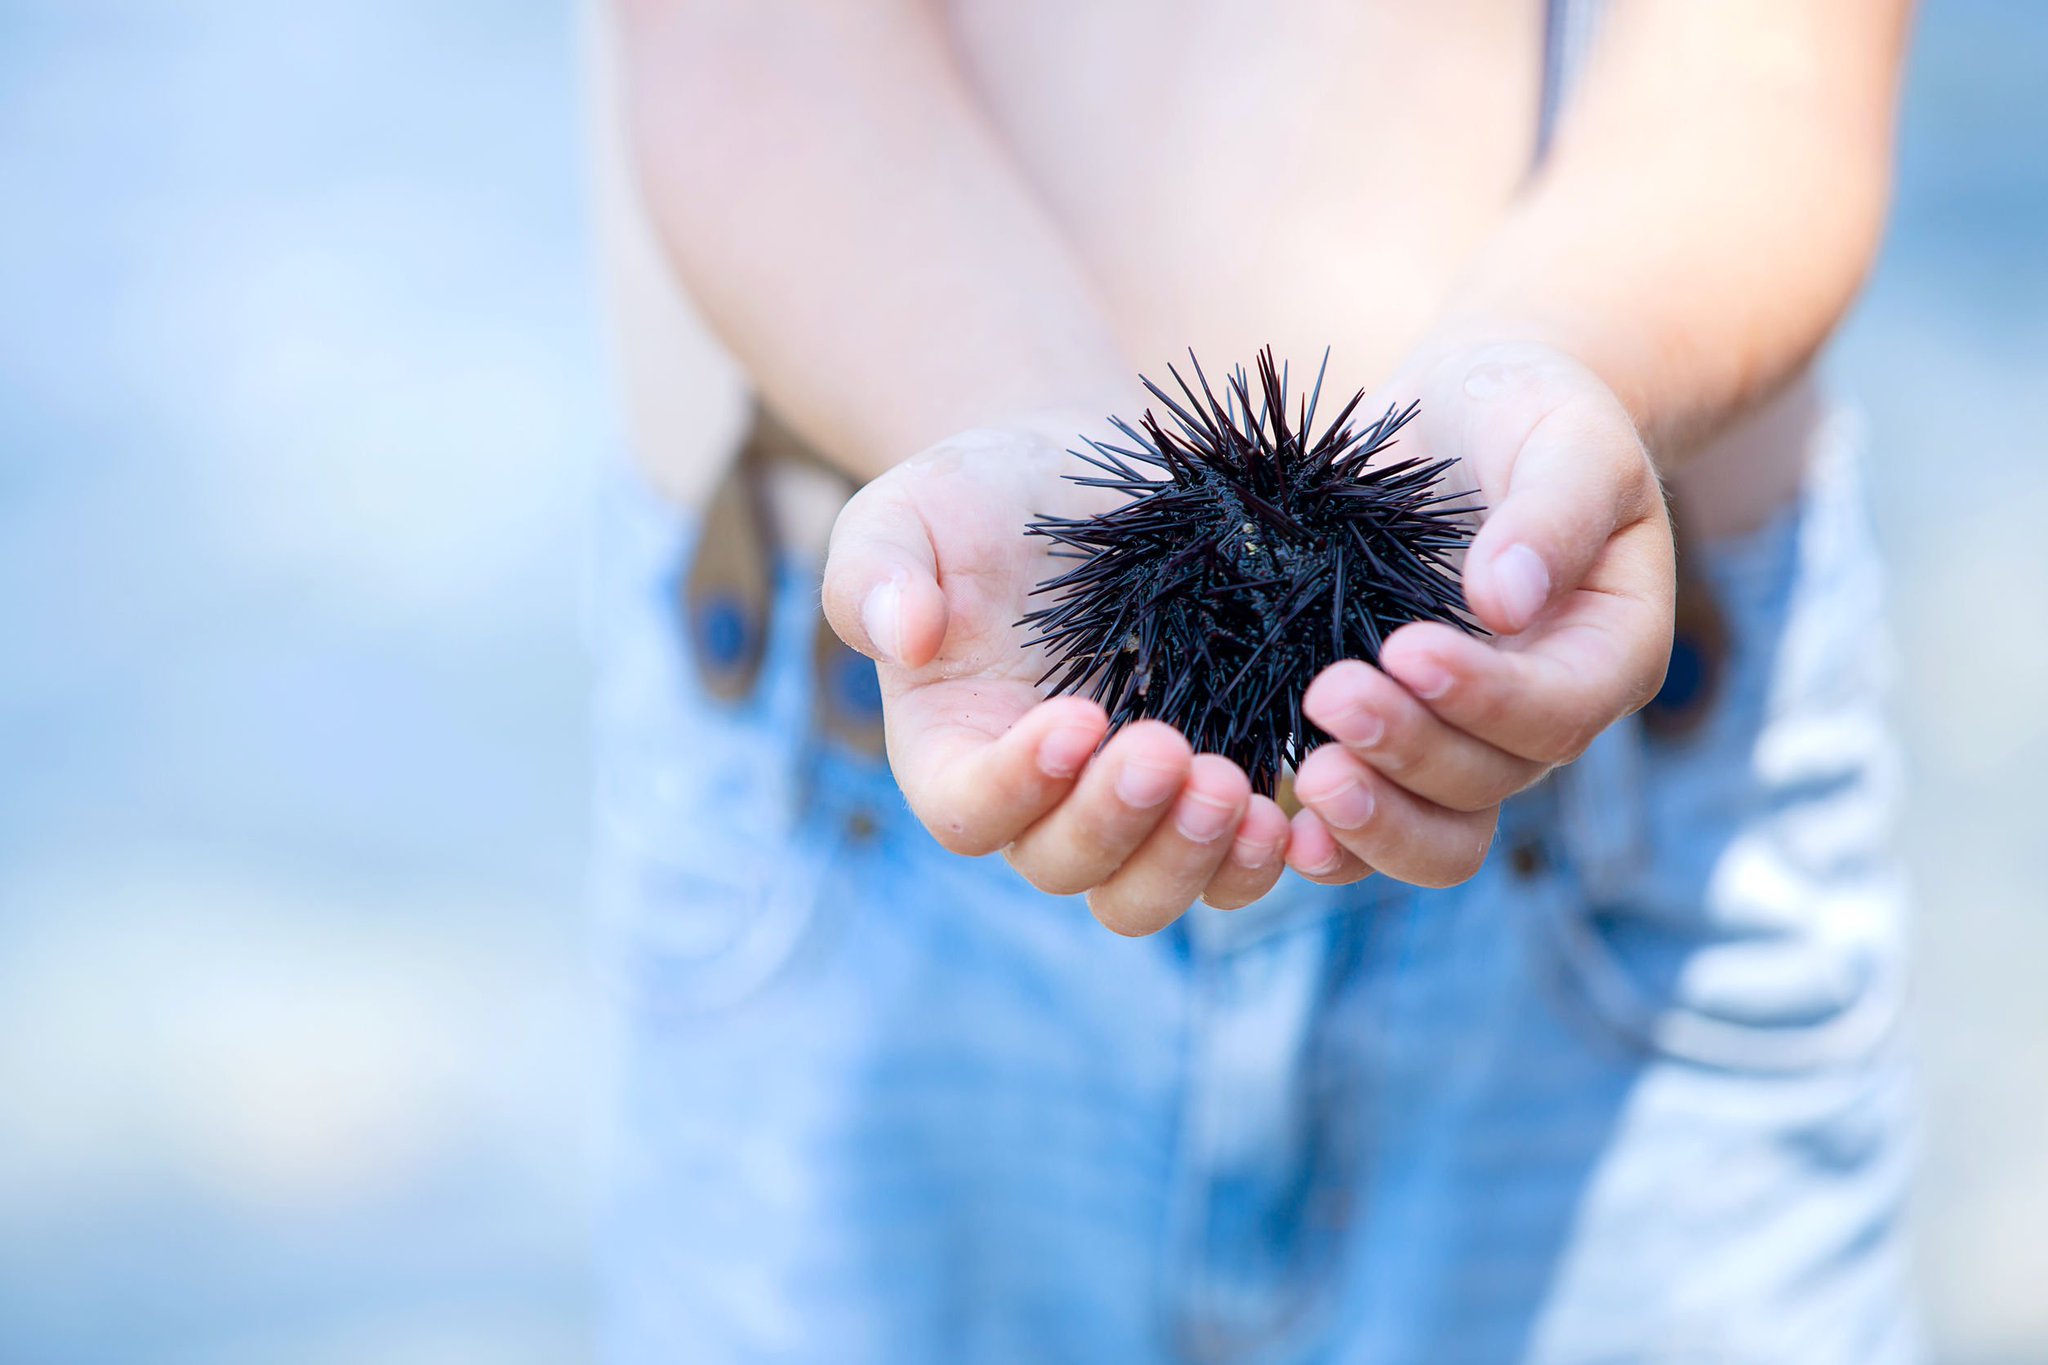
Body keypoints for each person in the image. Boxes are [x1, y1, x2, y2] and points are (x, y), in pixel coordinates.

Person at [586, 1, 1918, 1360]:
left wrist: (1560, 366)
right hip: (863, 799)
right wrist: (1014, 423)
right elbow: (749, 47)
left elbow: (1766, 69)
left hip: (1631, 814)